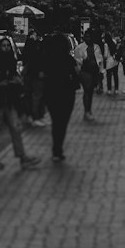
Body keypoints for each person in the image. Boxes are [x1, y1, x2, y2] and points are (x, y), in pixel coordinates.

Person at [0, 39, 40, 171]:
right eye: (4, 46)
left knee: (15, 128)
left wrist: (16, 82)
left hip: (9, 102)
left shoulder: (11, 63)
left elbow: (16, 80)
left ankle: (22, 157)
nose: (6, 48)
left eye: (8, 45)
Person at [42, 27, 81, 163]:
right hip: (67, 94)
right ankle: (58, 148)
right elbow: (77, 73)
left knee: (55, 121)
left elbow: (43, 75)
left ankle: (56, 149)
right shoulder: (68, 59)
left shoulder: (48, 59)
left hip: (52, 93)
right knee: (62, 122)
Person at [21, 28, 48, 126]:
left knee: (34, 95)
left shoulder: (34, 46)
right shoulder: (35, 46)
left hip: (33, 73)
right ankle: (35, 116)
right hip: (35, 74)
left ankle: (35, 116)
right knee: (36, 96)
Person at [74, 29, 100, 122]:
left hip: (94, 72)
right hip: (85, 71)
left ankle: (89, 110)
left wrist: (101, 72)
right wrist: (84, 60)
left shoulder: (96, 47)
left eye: (90, 36)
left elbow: (99, 60)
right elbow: (77, 61)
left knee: (91, 91)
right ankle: (86, 111)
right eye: (86, 36)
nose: (88, 38)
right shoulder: (79, 48)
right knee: (87, 90)